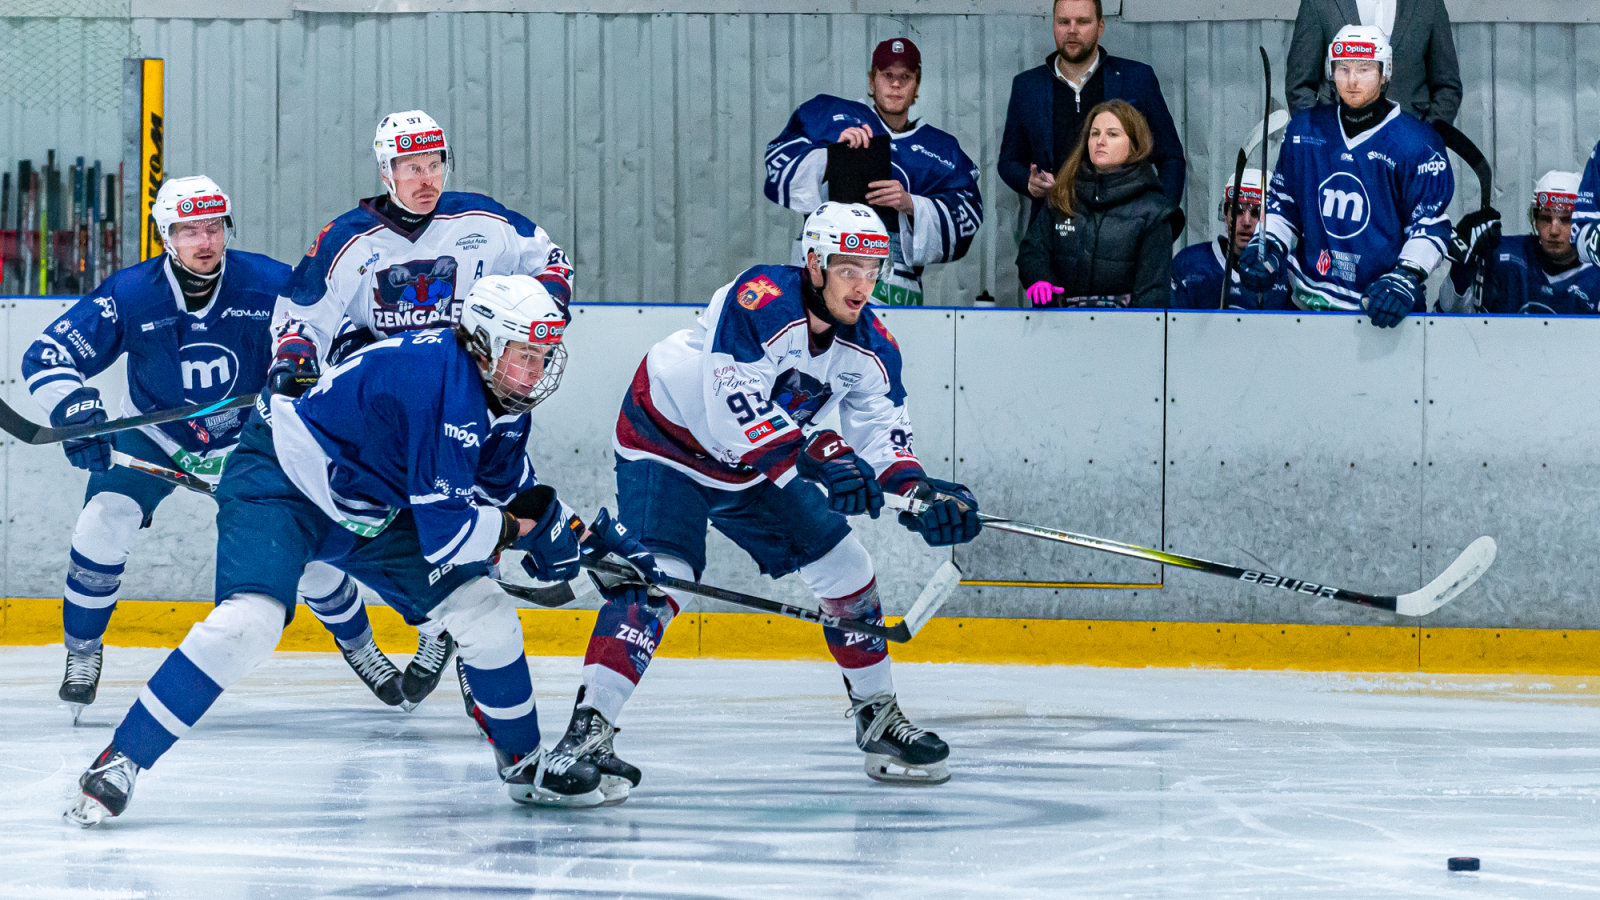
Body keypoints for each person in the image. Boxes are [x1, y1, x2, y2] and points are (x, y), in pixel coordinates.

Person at [64, 275, 612, 826]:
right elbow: (449, 537)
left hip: (371, 508)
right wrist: (520, 532)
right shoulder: (441, 386)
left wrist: (591, 541)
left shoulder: (500, 397)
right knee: (248, 624)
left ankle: (524, 764)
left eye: (544, 356)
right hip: (281, 483)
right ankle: (122, 758)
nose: (536, 371)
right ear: (485, 344)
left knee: (485, 612)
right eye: (525, 355)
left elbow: (514, 488)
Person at [544, 202, 983, 804]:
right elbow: (733, 408)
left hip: (756, 464)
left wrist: (917, 492)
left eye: (872, 269)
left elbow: (882, 435)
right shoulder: (759, 299)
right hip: (666, 441)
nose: (862, 284)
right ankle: (587, 731)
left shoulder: (873, 346)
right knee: (659, 579)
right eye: (848, 268)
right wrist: (818, 457)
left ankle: (877, 716)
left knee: (847, 566)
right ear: (814, 264)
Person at [266, 110, 576, 708]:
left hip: (469, 396)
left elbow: (552, 262)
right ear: (387, 172)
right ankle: (414, 629)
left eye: (434, 164)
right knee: (383, 531)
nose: (425, 178)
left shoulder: (484, 221)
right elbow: (301, 314)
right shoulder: (346, 239)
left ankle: (454, 640)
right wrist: (297, 353)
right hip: (387, 411)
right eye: (410, 167)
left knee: (468, 516)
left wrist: (539, 313)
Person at [19, 176, 352, 722]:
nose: (205, 241)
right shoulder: (131, 293)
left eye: (214, 227)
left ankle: (362, 647)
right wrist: (76, 410)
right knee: (103, 519)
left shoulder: (269, 283)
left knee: (304, 547)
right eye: (189, 230)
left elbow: (339, 339)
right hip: (156, 437)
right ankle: (81, 652)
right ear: (165, 236)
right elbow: (48, 353)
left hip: (249, 442)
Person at [1239, 25, 1453, 326]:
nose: (1352, 80)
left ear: (1385, 72)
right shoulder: (1304, 129)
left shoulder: (1419, 143)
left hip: (1380, 308)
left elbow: (1429, 225)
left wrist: (1406, 275)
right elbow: (1285, 206)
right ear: (1331, 71)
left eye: (1364, 69)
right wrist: (1269, 244)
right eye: (1343, 69)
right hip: (1307, 305)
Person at [762, 38, 983, 307]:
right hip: (824, 274)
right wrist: (830, 157)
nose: (896, 84)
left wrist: (912, 204)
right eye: (887, 75)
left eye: (906, 77)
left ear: (917, 87)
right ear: (871, 81)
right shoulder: (829, 116)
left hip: (896, 286)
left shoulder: (943, 150)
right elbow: (777, 161)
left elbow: (968, 214)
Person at [999, 0, 1185, 224]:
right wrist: (1028, 182)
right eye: (1063, 22)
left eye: (1083, 22)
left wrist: (1161, 220)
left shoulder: (1136, 79)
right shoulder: (1028, 86)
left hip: (1123, 228)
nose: (1072, 30)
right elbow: (1009, 161)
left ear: (1100, 26)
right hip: (1052, 227)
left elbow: (1170, 157)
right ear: (1054, 25)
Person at [1016, 101, 1178, 309]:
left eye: (1112, 134)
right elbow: (1033, 250)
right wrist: (1039, 277)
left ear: (1134, 145)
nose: (1100, 141)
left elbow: (1152, 295)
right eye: (1094, 134)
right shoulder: (1064, 195)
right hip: (1058, 321)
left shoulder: (1155, 212)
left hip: (1122, 324)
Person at [1440, 172, 1600, 315]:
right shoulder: (1501, 255)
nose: (1554, 231)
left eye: (1566, 220)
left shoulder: (1596, 277)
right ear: (1534, 220)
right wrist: (1461, 269)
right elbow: (1449, 318)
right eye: (1545, 219)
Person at [1286, 0, 1462, 125]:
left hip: (1409, 142)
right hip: (1336, 145)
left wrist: (1427, 138)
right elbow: (1300, 85)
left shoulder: (1429, 3)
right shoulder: (1319, 3)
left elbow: (1447, 85)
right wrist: (1318, 137)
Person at [1170, 169, 1294, 310]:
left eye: (1257, 212)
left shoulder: (1288, 271)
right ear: (1225, 214)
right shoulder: (1189, 264)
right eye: (1237, 211)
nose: (1246, 222)